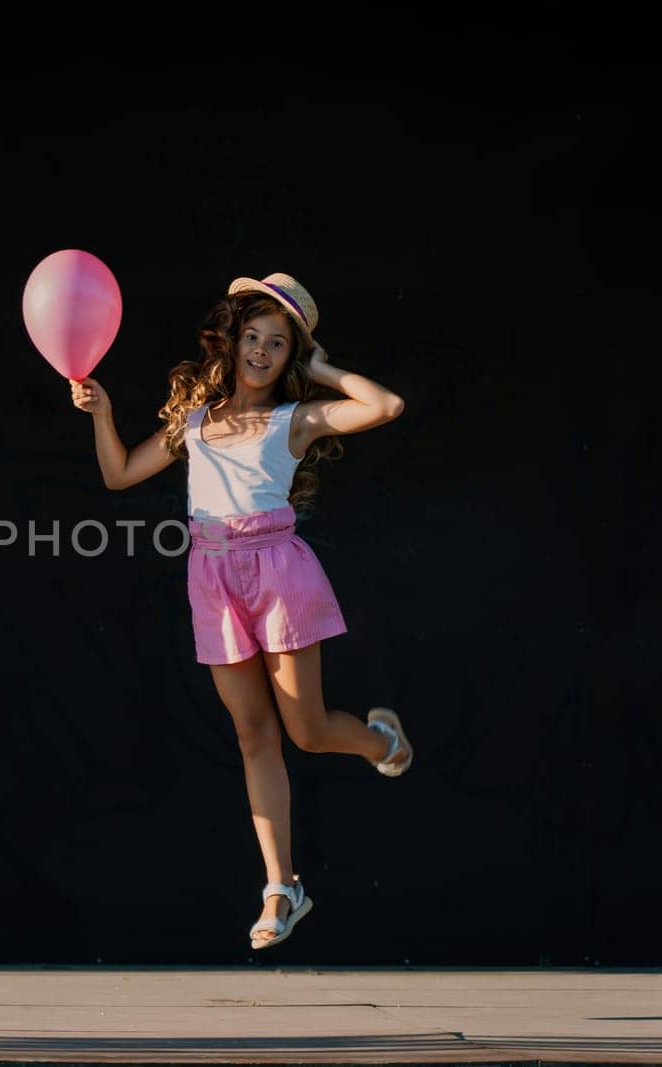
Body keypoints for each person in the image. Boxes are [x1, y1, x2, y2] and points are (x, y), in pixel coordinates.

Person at [68, 272, 412, 950]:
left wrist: (325, 366)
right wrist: (101, 413)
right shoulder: (195, 419)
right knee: (254, 735)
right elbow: (117, 474)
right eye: (252, 336)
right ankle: (282, 887)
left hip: (278, 573)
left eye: (277, 343)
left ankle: (384, 742)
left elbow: (388, 405)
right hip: (212, 576)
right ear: (230, 341)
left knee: (306, 730)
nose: (260, 351)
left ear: (290, 357)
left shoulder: (296, 419)